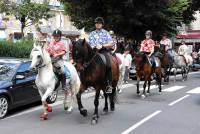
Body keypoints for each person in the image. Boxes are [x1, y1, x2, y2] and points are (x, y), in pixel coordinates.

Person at [88, 17, 113, 93]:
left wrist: (102, 46)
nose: (97, 24)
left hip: (103, 51)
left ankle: (109, 84)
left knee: (108, 64)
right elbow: (89, 44)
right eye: (96, 23)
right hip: (93, 52)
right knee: (85, 64)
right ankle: (87, 82)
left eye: (99, 23)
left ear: (102, 24)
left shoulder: (106, 33)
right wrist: (92, 46)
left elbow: (111, 44)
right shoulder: (92, 33)